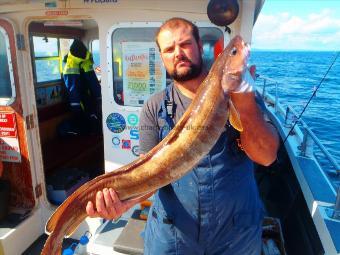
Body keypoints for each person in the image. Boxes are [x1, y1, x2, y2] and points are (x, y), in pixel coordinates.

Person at [86, 18, 279, 254]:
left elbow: (267, 156)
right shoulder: (153, 107)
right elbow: (150, 177)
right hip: (174, 236)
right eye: (169, 49)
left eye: (185, 44)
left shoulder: (243, 95)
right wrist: (123, 203)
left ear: (199, 45)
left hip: (236, 234)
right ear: (162, 56)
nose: (178, 53)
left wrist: (244, 99)